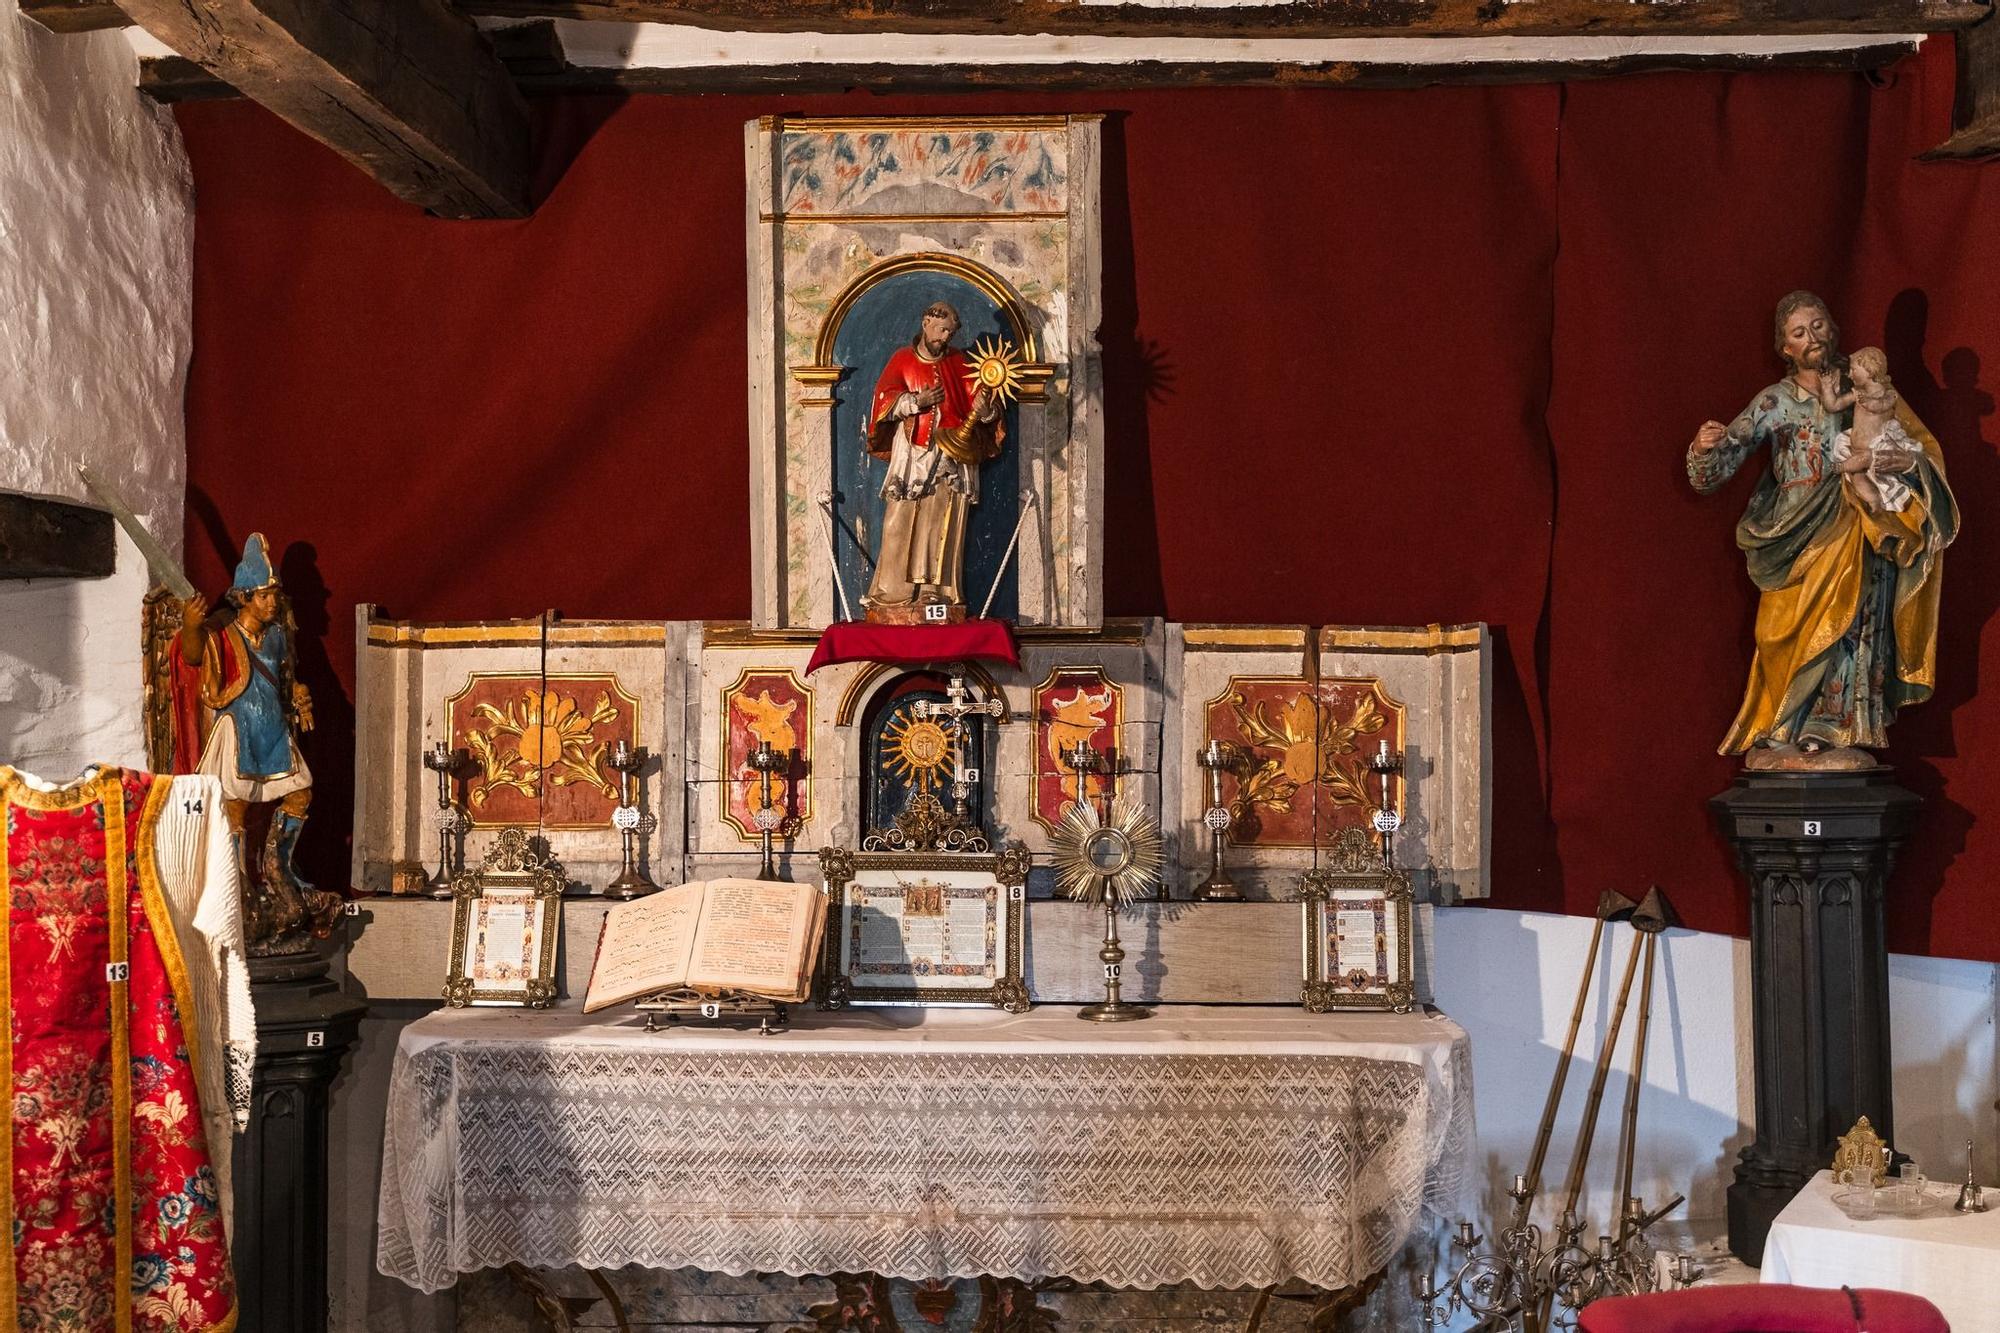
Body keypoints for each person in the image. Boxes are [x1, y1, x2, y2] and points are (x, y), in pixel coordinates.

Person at [1687, 292, 1958, 767]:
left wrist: (1899, 463)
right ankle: (1778, 732)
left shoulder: (1867, 382)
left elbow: (1923, 455)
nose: (1811, 338)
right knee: (1780, 632)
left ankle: (1832, 728)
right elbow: (1717, 468)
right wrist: (1705, 447)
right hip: (1792, 529)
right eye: (1798, 333)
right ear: (1785, 348)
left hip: (1857, 523)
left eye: (1817, 326)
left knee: (1851, 623)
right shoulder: (1774, 401)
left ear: (1832, 327)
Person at [171, 533, 343, 951]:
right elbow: (193, 658)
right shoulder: (223, 634)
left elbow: (284, 679)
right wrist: (192, 626)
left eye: (274, 596)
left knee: (300, 792)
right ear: (244, 597)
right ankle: (234, 887)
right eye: (264, 596)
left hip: (272, 729)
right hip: (238, 729)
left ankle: (277, 866)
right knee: (237, 806)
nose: (272, 604)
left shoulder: (279, 637)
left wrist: (299, 696)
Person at [861, 300, 1004, 614]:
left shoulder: (960, 362)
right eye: (941, 329)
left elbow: (983, 406)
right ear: (926, 322)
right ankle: (891, 592)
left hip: (950, 454)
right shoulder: (902, 359)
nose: (944, 337)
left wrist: (985, 410)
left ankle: (934, 593)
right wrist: (916, 400)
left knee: (940, 523)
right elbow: (884, 401)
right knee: (898, 519)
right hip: (913, 452)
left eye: (950, 332)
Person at [1817, 346, 1917, 520]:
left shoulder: (1889, 394)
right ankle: (1874, 503)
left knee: (1862, 460)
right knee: (1858, 479)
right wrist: (1827, 388)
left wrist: (1868, 401)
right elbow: (1833, 405)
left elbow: (1880, 406)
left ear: (1870, 370)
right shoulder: (1857, 393)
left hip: (1874, 450)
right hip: (1855, 448)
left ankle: (1841, 467)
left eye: (1853, 369)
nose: (1849, 374)